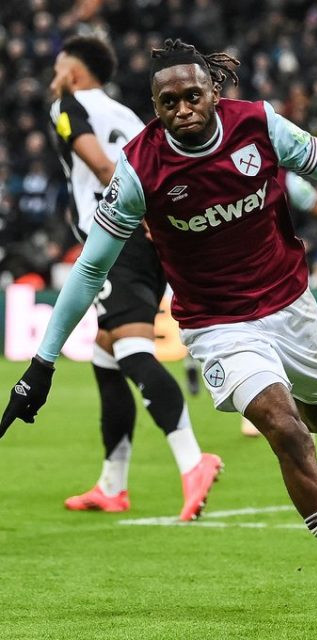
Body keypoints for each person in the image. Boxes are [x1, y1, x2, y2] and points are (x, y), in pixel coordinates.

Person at [2, 38, 317, 632]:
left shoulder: (262, 126)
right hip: (216, 325)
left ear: (214, 93)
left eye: (194, 95)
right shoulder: (139, 169)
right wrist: (42, 362)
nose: (184, 108)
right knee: (286, 432)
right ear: (155, 107)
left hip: (291, 306)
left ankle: (278, 390)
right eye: (169, 102)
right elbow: (91, 267)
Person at [46, 35, 222, 519]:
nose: (55, 77)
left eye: (60, 68)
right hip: (154, 241)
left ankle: (192, 460)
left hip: (117, 234)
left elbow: (102, 165)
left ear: (75, 72)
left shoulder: (67, 105)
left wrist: (132, 213)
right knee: (106, 355)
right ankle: (112, 484)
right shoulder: (127, 115)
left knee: (131, 350)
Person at [241, 168, 317, 437]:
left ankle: (299, 407)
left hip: (287, 284)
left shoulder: (287, 180)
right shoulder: (211, 174)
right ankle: (263, 407)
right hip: (240, 289)